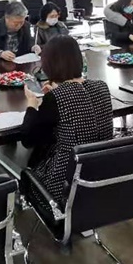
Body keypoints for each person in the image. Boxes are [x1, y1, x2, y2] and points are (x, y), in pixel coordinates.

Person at [20, 36, 113, 202]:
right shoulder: (102, 87)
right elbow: (79, 102)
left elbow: (28, 139)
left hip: (62, 188)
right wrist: (55, 94)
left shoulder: (56, 97)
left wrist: (32, 106)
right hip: (102, 177)